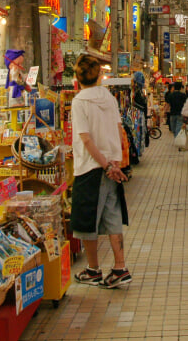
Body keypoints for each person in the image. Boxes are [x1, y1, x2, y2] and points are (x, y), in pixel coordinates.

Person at [69, 54, 132, 289]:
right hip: (111, 167)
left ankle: (93, 269)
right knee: (112, 215)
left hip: (90, 168)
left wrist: (105, 164)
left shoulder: (79, 102)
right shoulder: (108, 97)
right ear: (98, 76)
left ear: (77, 77)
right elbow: (118, 129)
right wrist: (116, 162)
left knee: (87, 220)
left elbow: (85, 139)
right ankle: (120, 267)